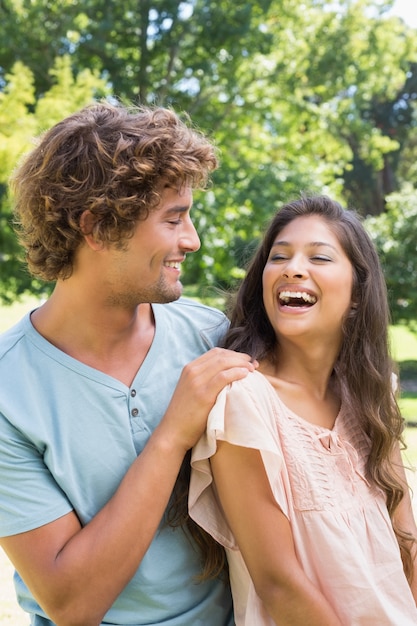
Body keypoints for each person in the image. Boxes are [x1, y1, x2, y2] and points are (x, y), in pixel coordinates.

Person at [0, 102, 257, 626]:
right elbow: (72, 603)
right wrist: (171, 435)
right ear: (95, 227)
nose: (192, 240)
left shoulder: (209, 335)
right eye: (173, 219)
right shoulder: (9, 391)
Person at [189, 195, 417, 625]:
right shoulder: (244, 401)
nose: (293, 268)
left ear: (356, 293)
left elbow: (407, 540)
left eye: (319, 257)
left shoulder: (370, 395)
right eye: (279, 256)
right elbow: (279, 583)